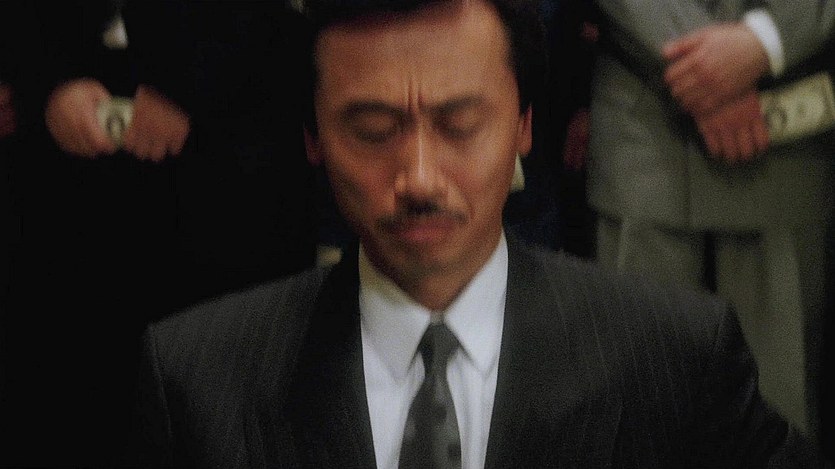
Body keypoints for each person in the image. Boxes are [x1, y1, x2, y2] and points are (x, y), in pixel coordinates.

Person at [126, 0, 827, 467]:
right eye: (372, 132)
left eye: (460, 125)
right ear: (313, 139)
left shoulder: (675, 358)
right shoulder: (196, 380)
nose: (419, 177)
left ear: (524, 126)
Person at [587, 0, 835, 436]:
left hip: (785, 140)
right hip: (645, 140)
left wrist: (766, 42)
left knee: (780, 415)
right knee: (641, 413)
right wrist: (709, 66)